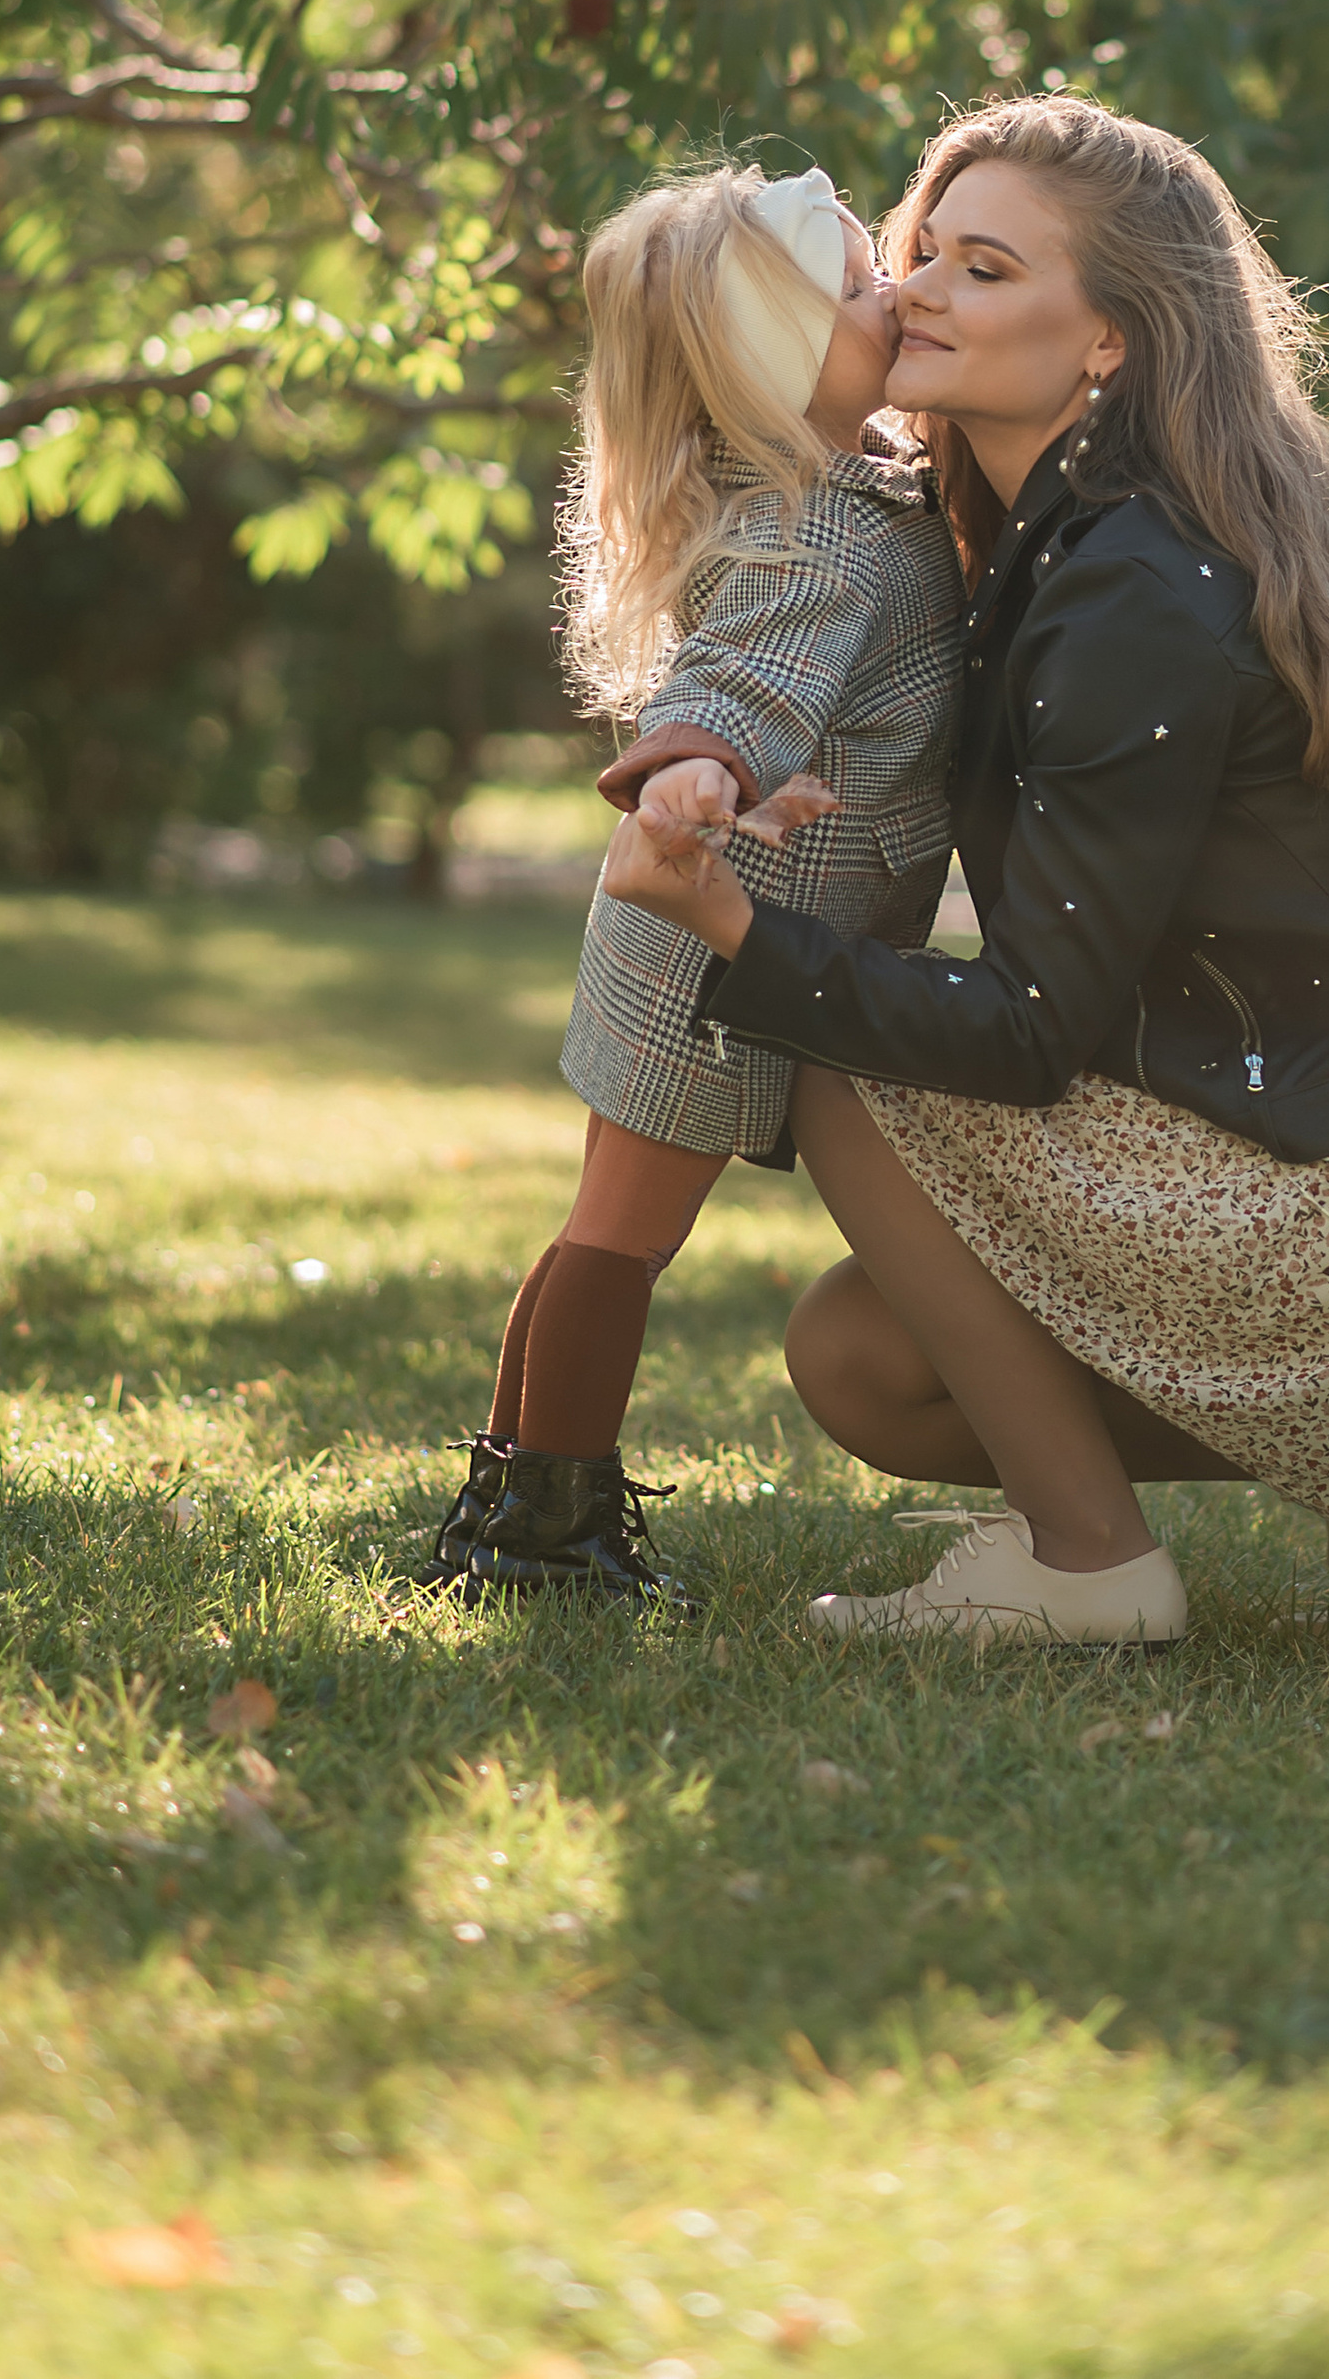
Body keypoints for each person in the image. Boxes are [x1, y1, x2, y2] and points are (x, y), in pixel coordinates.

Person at [604, 95, 1329, 1651]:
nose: (922, 293)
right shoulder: (1098, 536)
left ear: (1111, 341)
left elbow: (1033, 1032)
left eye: (989, 270)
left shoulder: (1130, 591)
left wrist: (737, 925)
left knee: (827, 1062)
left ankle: (1092, 1565)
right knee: (858, 1357)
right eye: (924, 254)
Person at [427, 159, 963, 1612]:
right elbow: (749, 676)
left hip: (706, 919)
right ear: (780, 365)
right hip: (705, 943)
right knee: (622, 1235)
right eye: (860, 288)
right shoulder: (822, 528)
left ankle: (513, 1500)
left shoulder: (844, 488)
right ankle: (545, 1535)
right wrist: (703, 768)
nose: (896, 291)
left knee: (600, 1221)